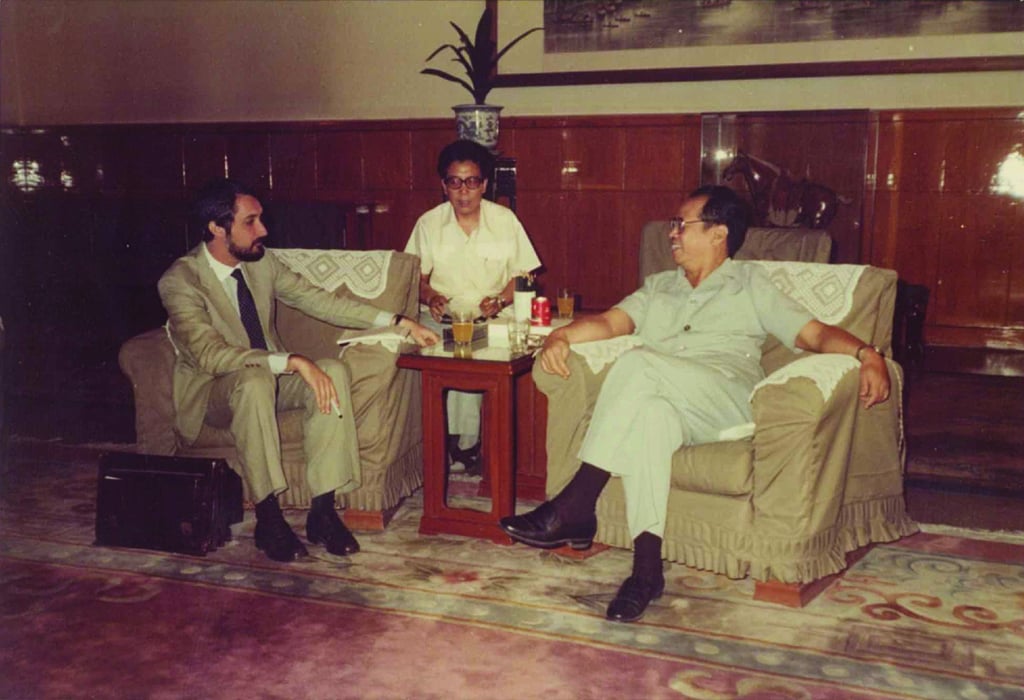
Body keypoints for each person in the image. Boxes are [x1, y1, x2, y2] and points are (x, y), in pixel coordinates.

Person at [499, 185, 891, 622]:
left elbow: (814, 335)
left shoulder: (751, 284)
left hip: (726, 400)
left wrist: (866, 353)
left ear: (718, 233)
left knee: (638, 363)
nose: (672, 234)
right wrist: (560, 335)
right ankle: (646, 573)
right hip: (668, 397)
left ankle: (577, 501)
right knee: (649, 417)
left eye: (681, 226)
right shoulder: (660, 287)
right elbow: (611, 322)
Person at [158, 178, 439, 563]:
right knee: (256, 381)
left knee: (332, 372)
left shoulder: (262, 263)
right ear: (216, 229)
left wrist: (397, 320)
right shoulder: (181, 280)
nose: (264, 230)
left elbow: (320, 302)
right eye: (251, 222)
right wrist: (289, 361)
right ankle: (269, 516)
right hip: (213, 392)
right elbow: (210, 355)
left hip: (268, 375)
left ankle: (322, 511)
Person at [404, 140, 541, 472]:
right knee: (447, 348)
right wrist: (430, 296)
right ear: (443, 185)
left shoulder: (505, 220)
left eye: (471, 182)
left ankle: (465, 443)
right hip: (443, 317)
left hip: (494, 316)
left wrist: (501, 300)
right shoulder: (429, 223)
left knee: (474, 349)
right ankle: (456, 443)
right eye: (454, 182)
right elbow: (414, 280)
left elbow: (524, 277)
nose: (463, 191)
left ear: (484, 184)